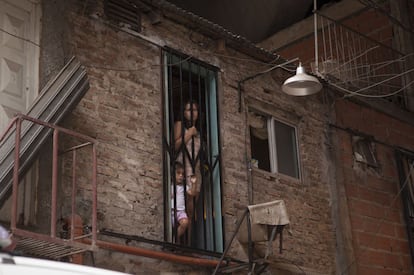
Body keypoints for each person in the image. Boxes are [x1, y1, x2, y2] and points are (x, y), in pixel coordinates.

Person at [174, 100, 202, 205]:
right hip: (183, 169)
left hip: (195, 171)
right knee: (181, 207)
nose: (192, 112)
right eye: (189, 109)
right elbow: (175, 146)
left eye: (195, 110)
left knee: (191, 209)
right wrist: (189, 134)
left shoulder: (199, 133)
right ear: (184, 112)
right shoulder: (179, 125)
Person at [171, 161, 191, 241]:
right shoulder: (169, 186)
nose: (180, 176)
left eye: (182, 174)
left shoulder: (184, 187)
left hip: (180, 211)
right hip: (171, 211)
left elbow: (192, 193)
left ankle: (174, 239)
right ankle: (174, 242)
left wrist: (194, 183)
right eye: (178, 173)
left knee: (185, 222)